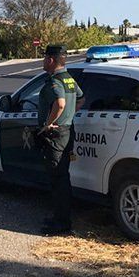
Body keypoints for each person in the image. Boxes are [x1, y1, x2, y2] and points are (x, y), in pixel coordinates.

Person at [36, 45, 83, 235]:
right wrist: (68, 116)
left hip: (56, 135)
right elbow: (81, 99)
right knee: (62, 177)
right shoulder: (69, 79)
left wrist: (49, 123)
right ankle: (59, 218)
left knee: (58, 179)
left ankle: (61, 223)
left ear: (51, 60)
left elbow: (60, 103)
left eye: (45, 57)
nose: (43, 61)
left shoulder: (55, 81)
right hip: (67, 131)